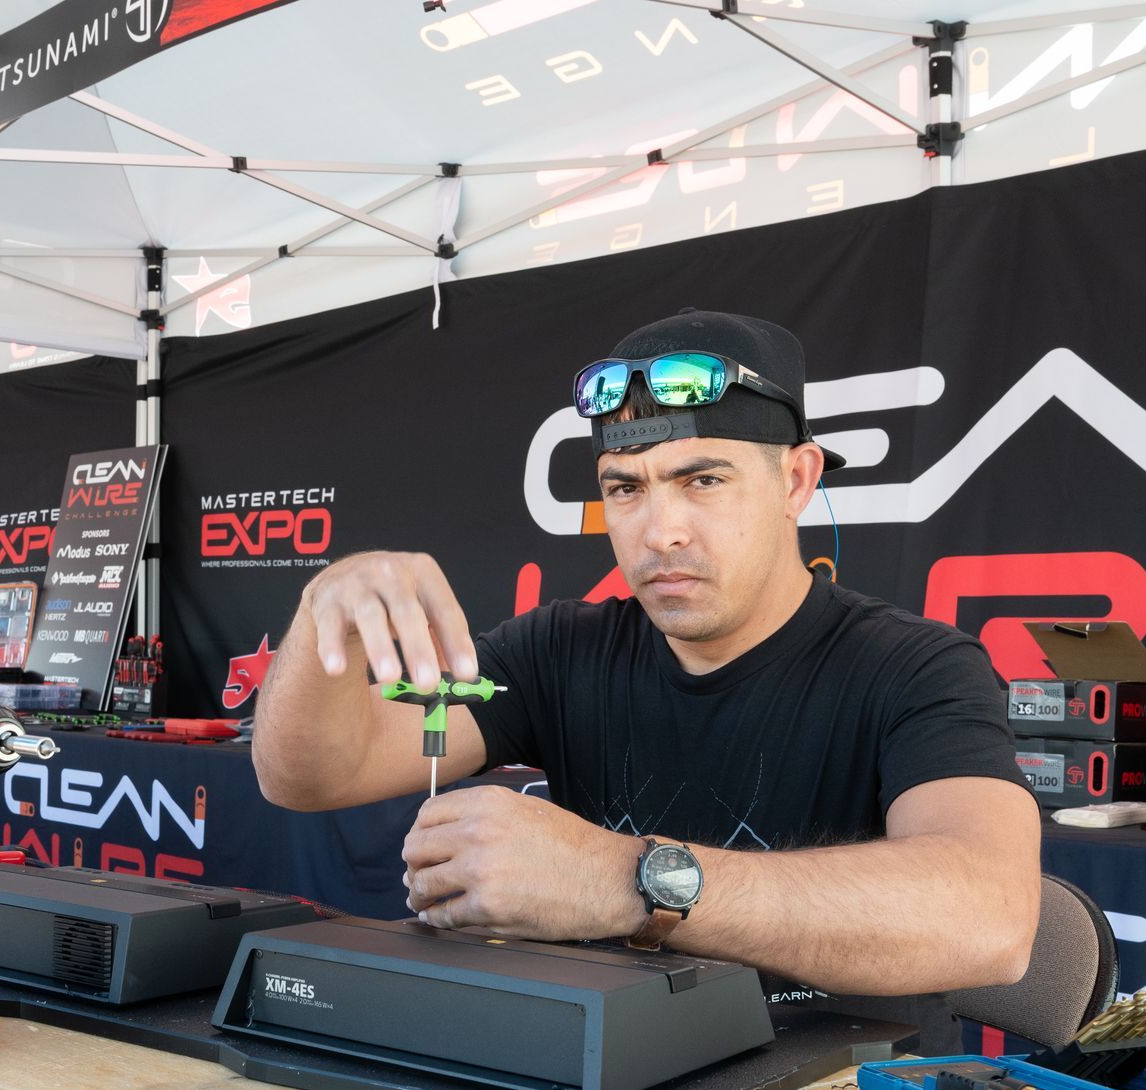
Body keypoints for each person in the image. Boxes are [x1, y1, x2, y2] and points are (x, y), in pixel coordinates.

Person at [253, 308, 1041, 1006]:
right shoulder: (560, 650)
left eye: (702, 479)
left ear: (796, 480)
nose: (660, 531)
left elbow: (990, 919)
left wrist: (621, 880)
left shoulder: (917, 668)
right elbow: (307, 777)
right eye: (626, 488)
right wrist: (325, 618)